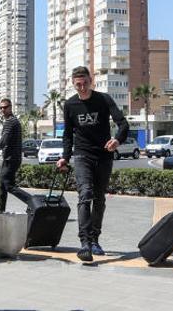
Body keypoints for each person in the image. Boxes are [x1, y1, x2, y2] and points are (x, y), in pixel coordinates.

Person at [55, 66, 129, 262]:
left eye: (85, 83)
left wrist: (117, 140)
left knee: (99, 199)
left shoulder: (104, 99)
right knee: (85, 194)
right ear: (73, 83)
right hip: (82, 156)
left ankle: (95, 239)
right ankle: (85, 243)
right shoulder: (70, 105)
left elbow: (123, 124)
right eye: (78, 84)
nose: (82, 88)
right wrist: (65, 156)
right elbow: (67, 135)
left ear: (91, 80)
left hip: (104, 156)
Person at [0, 98, 30, 211]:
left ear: (10, 107)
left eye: (5, 107)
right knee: (2, 186)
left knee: (7, 185)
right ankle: (1, 209)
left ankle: (31, 201)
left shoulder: (11, 122)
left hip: (11, 160)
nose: (2, 110)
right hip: (10, 159)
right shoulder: (12, 121)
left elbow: (3, 141)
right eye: (0, 108)